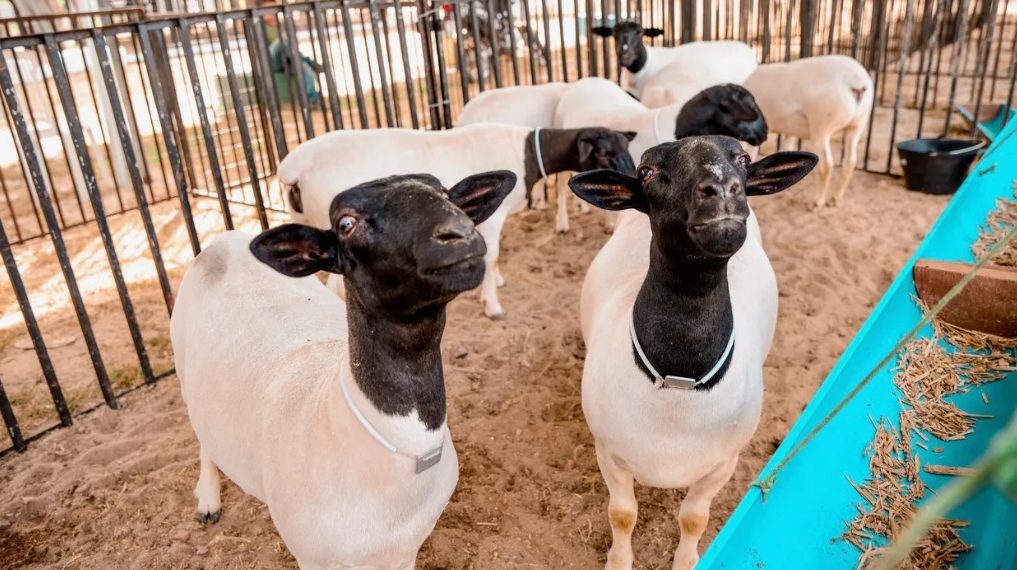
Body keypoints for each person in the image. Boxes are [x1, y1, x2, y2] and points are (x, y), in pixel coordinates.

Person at [258, 0, 324, 107]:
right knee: (282, 41)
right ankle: (309, 61)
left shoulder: (282, 25)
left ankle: (313, 100)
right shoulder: (258, 26)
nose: (270, 12)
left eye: (272, 9)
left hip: (287, 60)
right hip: (271, 61)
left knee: (304, 67)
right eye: (266, 9)